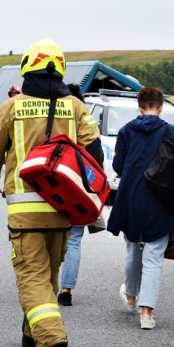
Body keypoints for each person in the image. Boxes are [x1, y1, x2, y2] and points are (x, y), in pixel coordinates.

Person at [0, 39, 103, 347]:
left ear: (27, 67)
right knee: (48, 273)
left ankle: (49, 345)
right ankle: (29, 331)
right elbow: (98, 158)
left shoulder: (12, 108)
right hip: (64, 208)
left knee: (32, 275)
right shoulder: (76, 107)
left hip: (25, 210)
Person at [107, 86, 174, 330]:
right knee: (154, 255)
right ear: (161, 107)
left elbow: (119, 166)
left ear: (139, 107)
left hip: (131, 199)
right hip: (161, 200)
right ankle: (146, 314)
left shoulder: (125, 131)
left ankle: (131, 297)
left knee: (133, 250)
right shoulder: (171, 131)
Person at [57, 84, 101, 307]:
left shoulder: (52, 116)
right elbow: (97, 153)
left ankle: (43, 287)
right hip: (77, 187)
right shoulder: (83, 114)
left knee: (49, 237)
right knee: (74, 240)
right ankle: (66, 291)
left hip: (51, 185)